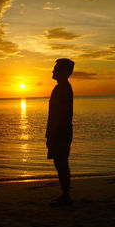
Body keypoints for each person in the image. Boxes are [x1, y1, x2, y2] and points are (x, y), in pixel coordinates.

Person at [46, 58, 74, 206]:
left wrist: (52, 134)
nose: (53, 70)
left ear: (63, 72)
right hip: (61, 131)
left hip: (60, 132)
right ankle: (65, 194)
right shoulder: (62, 87)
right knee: (61, 163)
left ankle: (66, 195)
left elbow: (60, 115)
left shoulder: (63, 88)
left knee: (61, 163)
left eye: (56, 68)